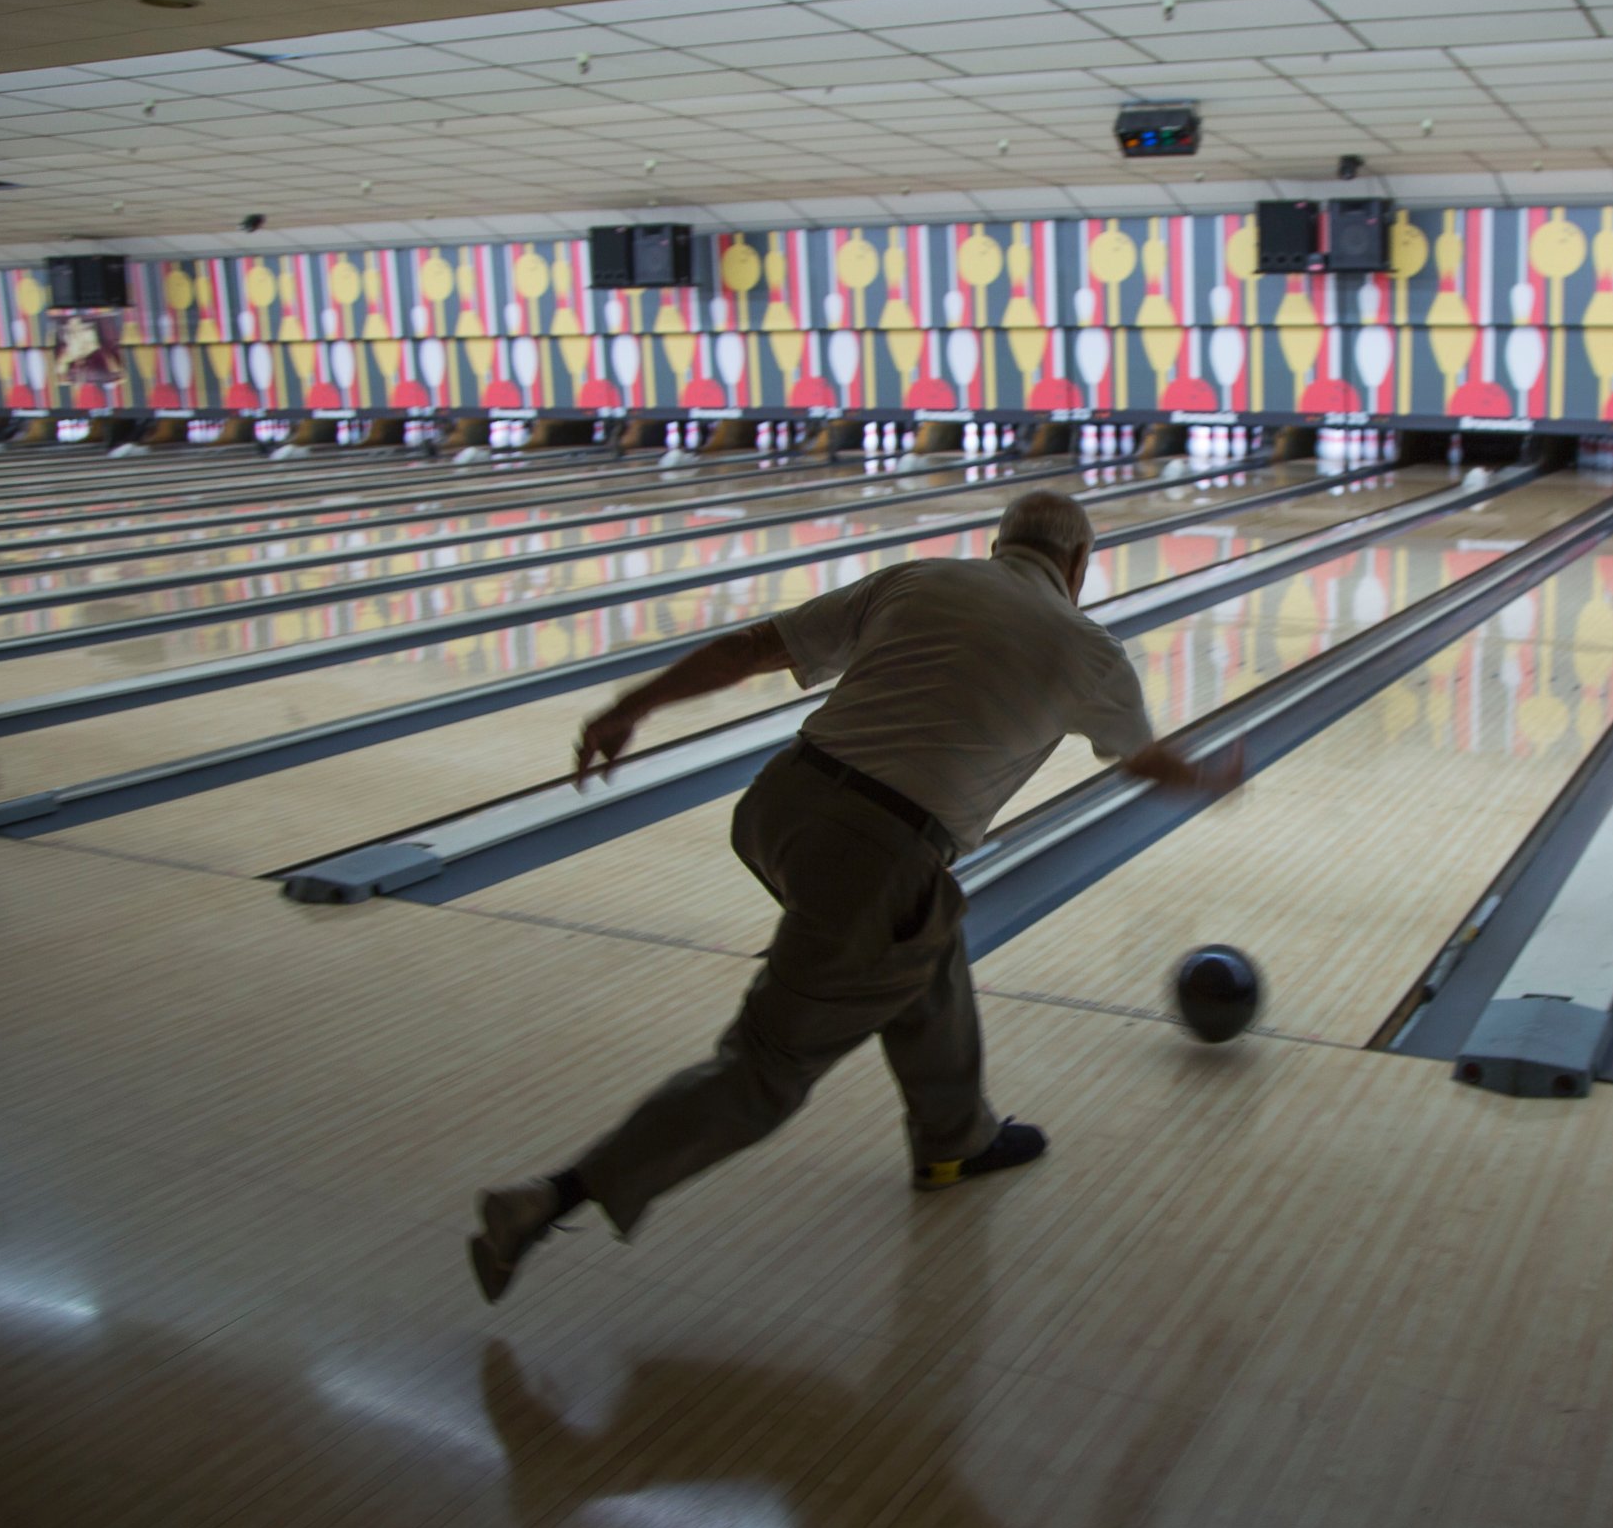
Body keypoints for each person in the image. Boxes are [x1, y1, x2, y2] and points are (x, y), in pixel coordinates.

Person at [470, 489, 1241, 1303]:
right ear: (1079, 565)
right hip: (875, 852)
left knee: (920, 933)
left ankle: (956, 1138)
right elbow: (1139, 758)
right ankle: (549, 1197)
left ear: (997, 544)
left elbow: (749, 648)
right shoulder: (1087, 648)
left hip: (779, 808)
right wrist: (1205, 774)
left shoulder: (916, 580)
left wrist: (631, 706)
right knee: (768, 1065)